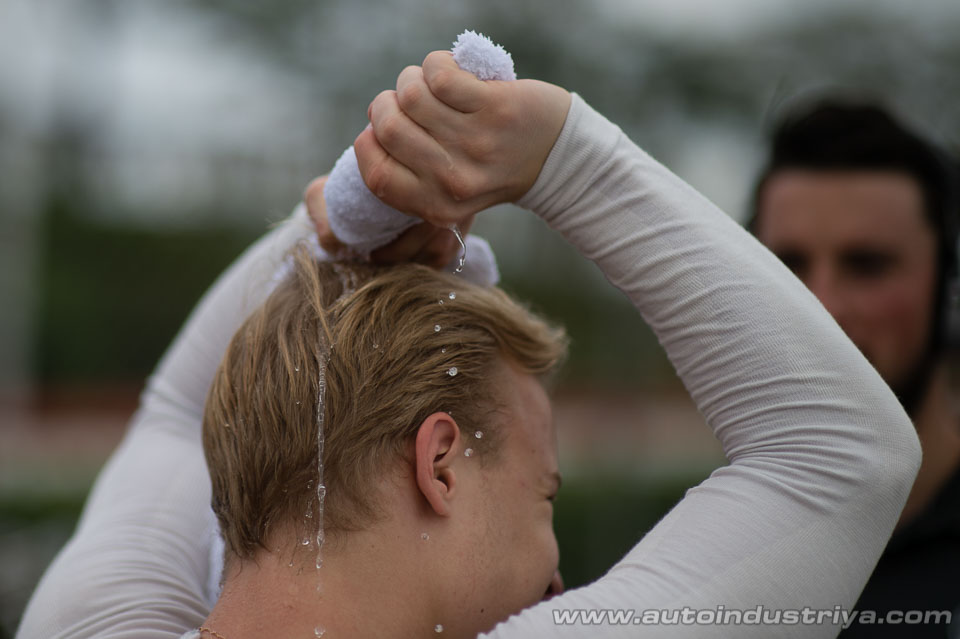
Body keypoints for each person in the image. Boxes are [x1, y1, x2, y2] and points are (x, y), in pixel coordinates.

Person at [18, 52, 923, 639]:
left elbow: (177, 413)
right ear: (440, 461)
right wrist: (561, 155)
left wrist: (345, 224)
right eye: (544, 495)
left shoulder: (92, 623)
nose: (561, 570)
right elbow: (841, 451)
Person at [749, 99, 960, 638]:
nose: (823, 307)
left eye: (867, 265)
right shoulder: (693, 563)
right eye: (787, 265)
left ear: (947, 289)